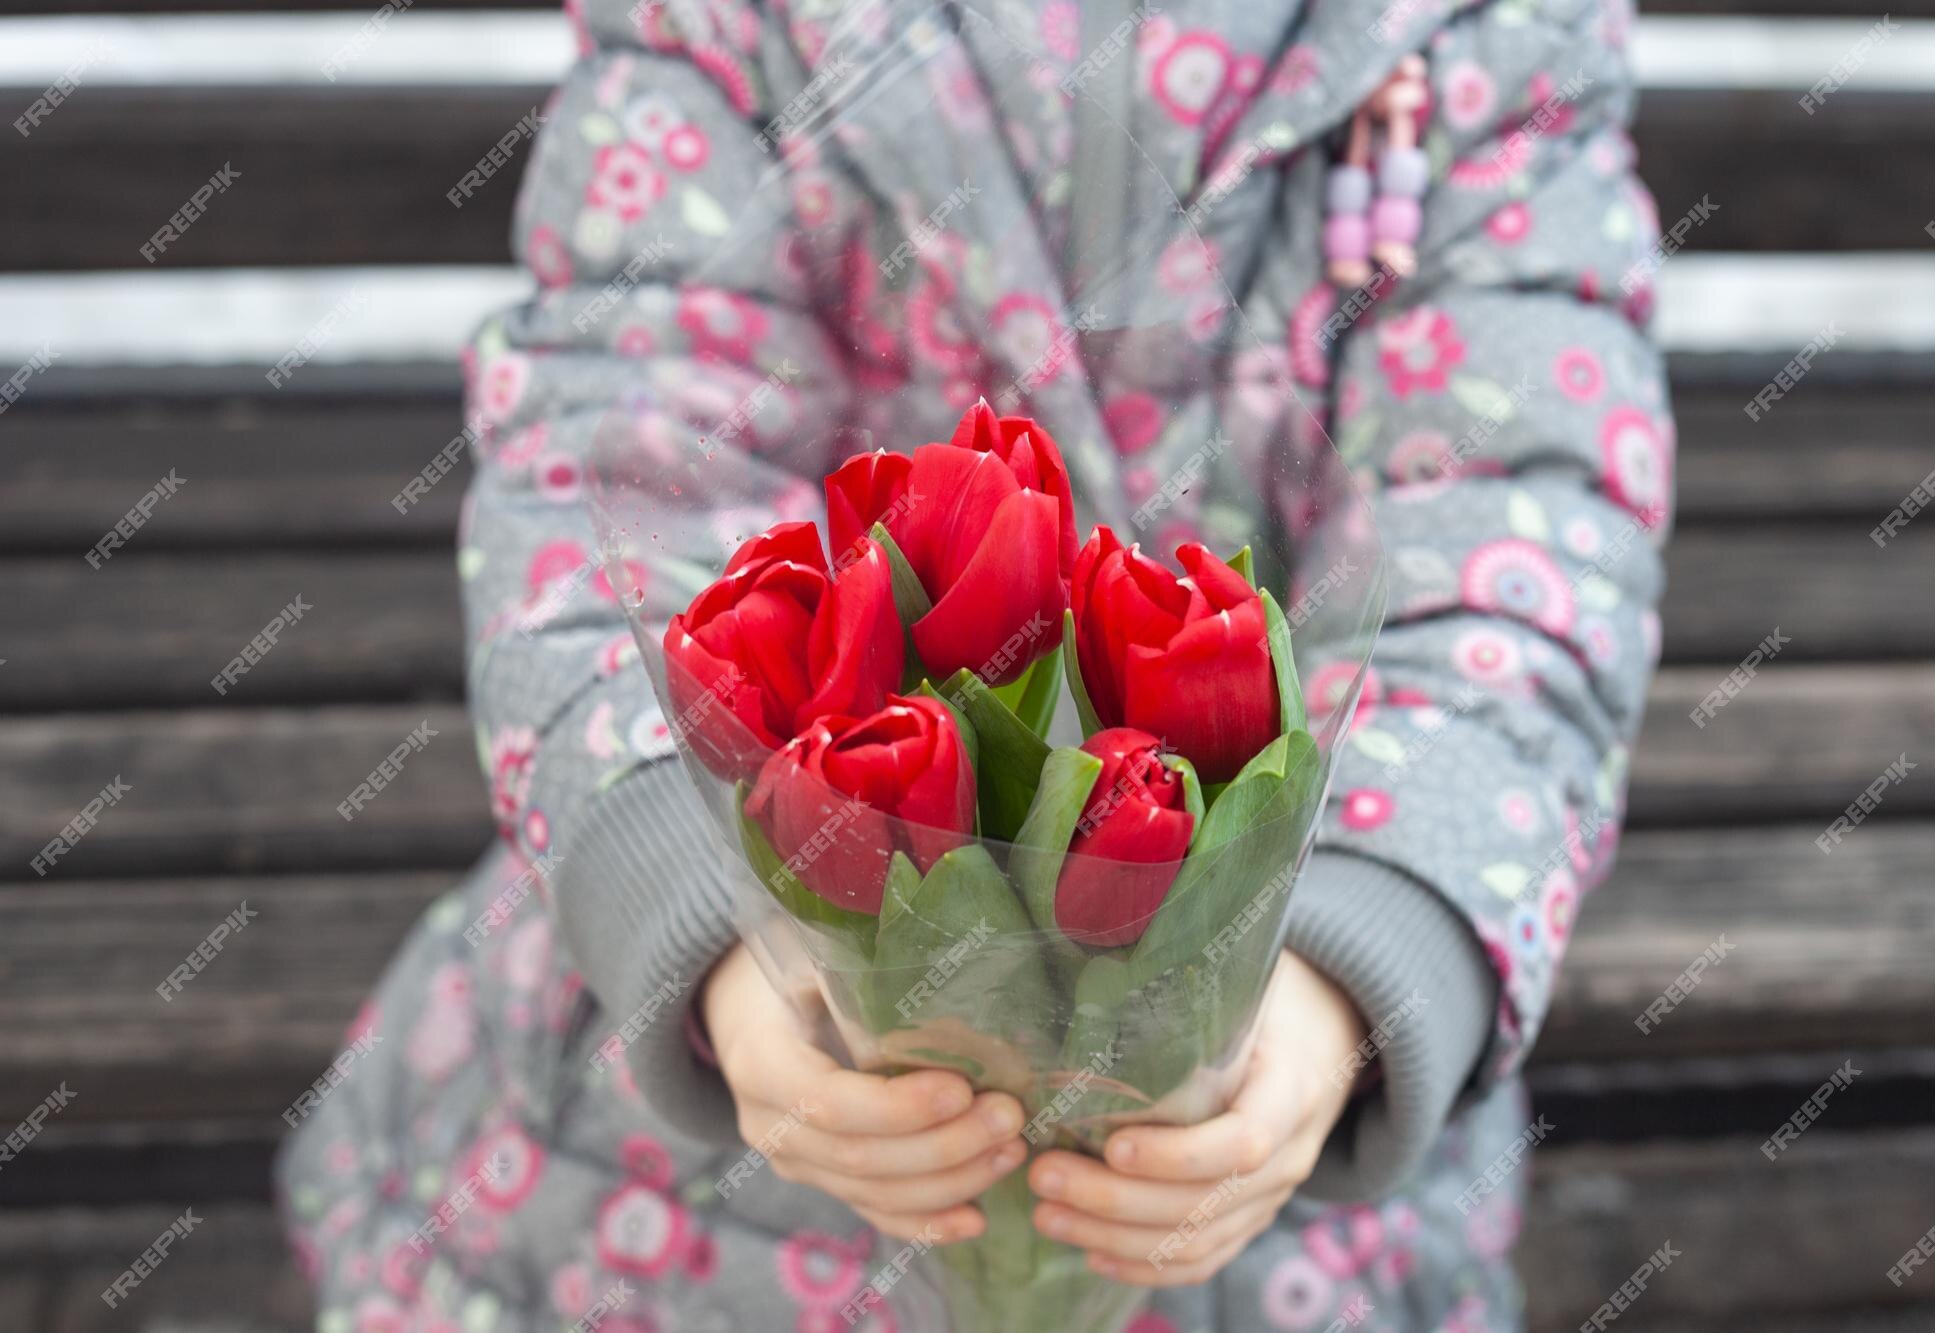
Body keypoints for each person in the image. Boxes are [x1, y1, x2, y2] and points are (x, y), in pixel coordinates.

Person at [277, 1, 1673, 1329]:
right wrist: (708, 940)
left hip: (1253, 1103)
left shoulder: (1473, 34)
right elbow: (622, 457)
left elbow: (1515, 533)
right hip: (763, 1044)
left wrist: (1351, 975)